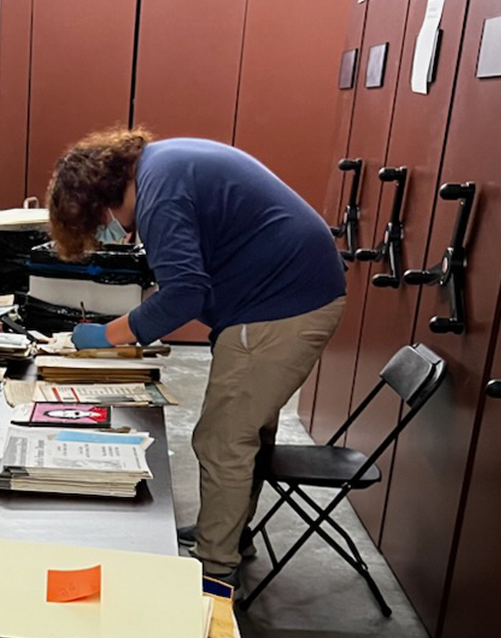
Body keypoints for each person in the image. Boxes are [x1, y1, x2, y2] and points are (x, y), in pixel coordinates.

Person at [47, 129, 346, 586]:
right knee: (247, 430)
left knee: (222, 441)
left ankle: (214, 572)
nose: (110, 232)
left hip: (282, 303)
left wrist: (106, 335)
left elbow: (185, 294)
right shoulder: (159, 165)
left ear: (100, 201)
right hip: (292, 292)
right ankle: (225, 534)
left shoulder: (158, 195)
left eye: (96, 224)